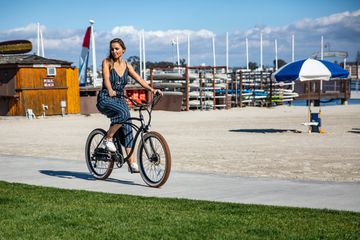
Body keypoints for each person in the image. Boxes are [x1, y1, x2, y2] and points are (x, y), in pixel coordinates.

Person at [96, 38, 162, 173]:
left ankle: (131, 163)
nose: (114, 51)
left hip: (119, 99)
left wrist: (152, 89)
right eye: (112, 49)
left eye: (117, 49)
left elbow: (139, 79)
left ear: (123, 50)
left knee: (127, 127)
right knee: (124, 114)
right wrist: (109, 89)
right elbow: (106, 79)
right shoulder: (107, 62)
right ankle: (108, 139)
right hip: (106, 98)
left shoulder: (127, 65)